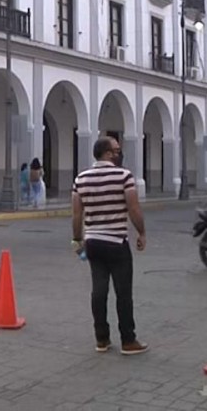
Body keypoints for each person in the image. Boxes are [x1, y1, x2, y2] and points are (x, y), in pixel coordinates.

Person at [72, 137, 148, 356]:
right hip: (116, 242)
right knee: (123, 292)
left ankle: (101, 339)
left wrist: (77, 240)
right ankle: (128, 340)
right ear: (106, 153)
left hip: (93, 242)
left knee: (99, 290)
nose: (119, 153)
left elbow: (77, 214)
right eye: (116, 150)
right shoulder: (124, 176)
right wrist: (141, 232)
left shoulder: (81, 178)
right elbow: (133, 209)